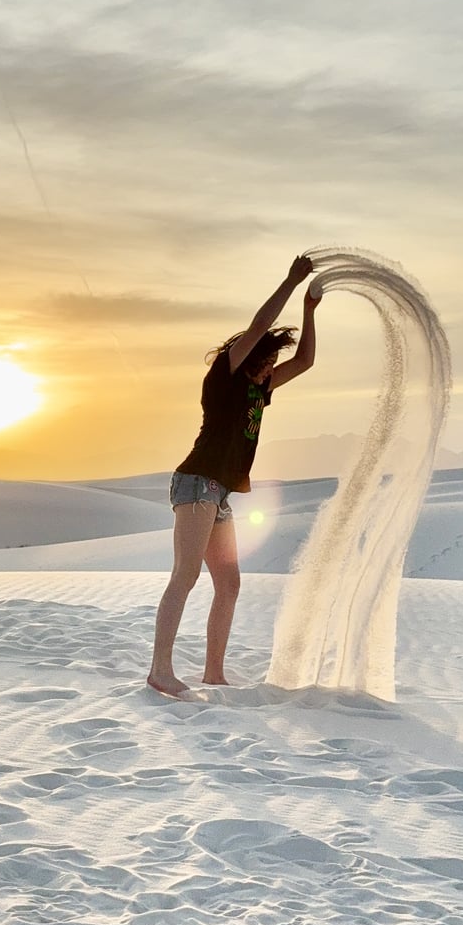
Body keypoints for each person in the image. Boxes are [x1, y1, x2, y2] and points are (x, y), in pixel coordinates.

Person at [147, 254, 321, 698]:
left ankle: (214, 673)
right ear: (250, 356)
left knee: (229, 582)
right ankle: (160, 671)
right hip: (196, 482)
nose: (269, 368)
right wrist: (288, 281)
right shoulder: (225, 374)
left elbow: (305, 362)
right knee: (185, 576)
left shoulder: (257, 389)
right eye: (264, 361)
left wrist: (309, 309)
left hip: (218, 492)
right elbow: (259, 325)